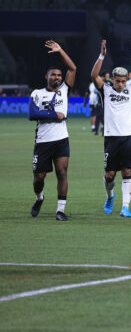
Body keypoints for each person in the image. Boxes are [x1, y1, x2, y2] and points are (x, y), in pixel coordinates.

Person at [91, 39, 131, 218]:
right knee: (110, 175)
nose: (121, 85)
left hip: (128, 137)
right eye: (118, 81)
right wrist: (101, 55)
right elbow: (94, 76)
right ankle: (110, 196)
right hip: (111, 137)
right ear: (112, 80)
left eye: (123, 81)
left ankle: (125, 207)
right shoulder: (105, 90)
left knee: (127, 171)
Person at [29, 40, 77, 221]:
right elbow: (32, 114)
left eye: (59, 75)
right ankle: (39, 198)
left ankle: (60, 210)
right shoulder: (37, 93)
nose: (57, 77)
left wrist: (60, 50)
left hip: (61, 139)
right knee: (39, 178)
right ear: (46, 77)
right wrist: (53, 114)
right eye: (53, 75)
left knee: (62, 173)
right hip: (42, 140)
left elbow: (72, 69)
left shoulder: (64, 90)